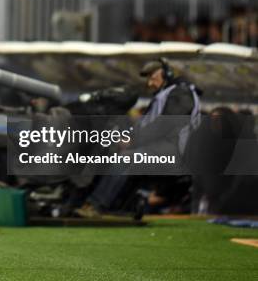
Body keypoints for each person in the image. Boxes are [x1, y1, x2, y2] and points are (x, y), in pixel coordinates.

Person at [75, 58, 201, 218]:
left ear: (167, 74)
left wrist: (132, 141)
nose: (149, 83)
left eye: (153, 78)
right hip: (163, 148)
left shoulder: (181, 93)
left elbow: (165, 125)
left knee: (125, 160)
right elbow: (147, 126)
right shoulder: (167, 95)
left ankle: (96, 205)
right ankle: (118, 207)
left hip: (174, 152)